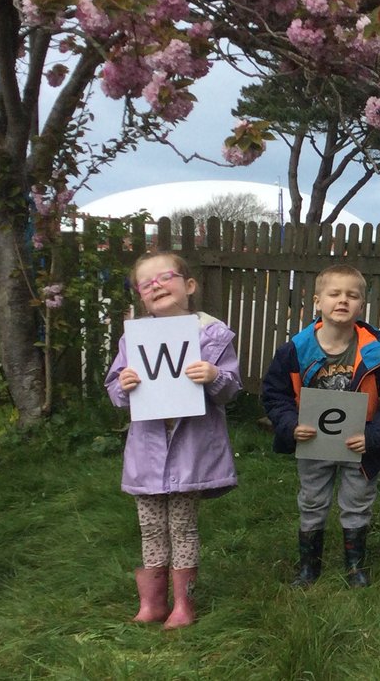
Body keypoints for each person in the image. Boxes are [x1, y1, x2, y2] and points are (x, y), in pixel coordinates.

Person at [105, 252, 242, 629]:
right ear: (140, 296)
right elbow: (115, 390)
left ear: (189, 285)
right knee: (150, 527)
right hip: (148, 453)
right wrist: (124, 385)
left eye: (164, 277)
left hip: (189, 451)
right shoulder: (133, 340)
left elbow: (230, 389)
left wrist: (213, 374)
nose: (156, 286)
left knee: (182, 527)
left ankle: (183, 604)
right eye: (146, 284)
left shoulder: (212, 336)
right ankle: (151, 602)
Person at [261, 265, 380, 589]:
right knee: (312, 500)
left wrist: (374, 436)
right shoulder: (295, 351)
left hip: (360, 445)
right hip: (313, 443)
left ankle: (355, 566)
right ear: (317, 301)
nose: (343, 300)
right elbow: (274, 394)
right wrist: (289, 425)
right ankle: (308, 567)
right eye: (334, 294)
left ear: (361, 306)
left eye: (352, 295)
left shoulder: (376, 353)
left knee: (357, 501)